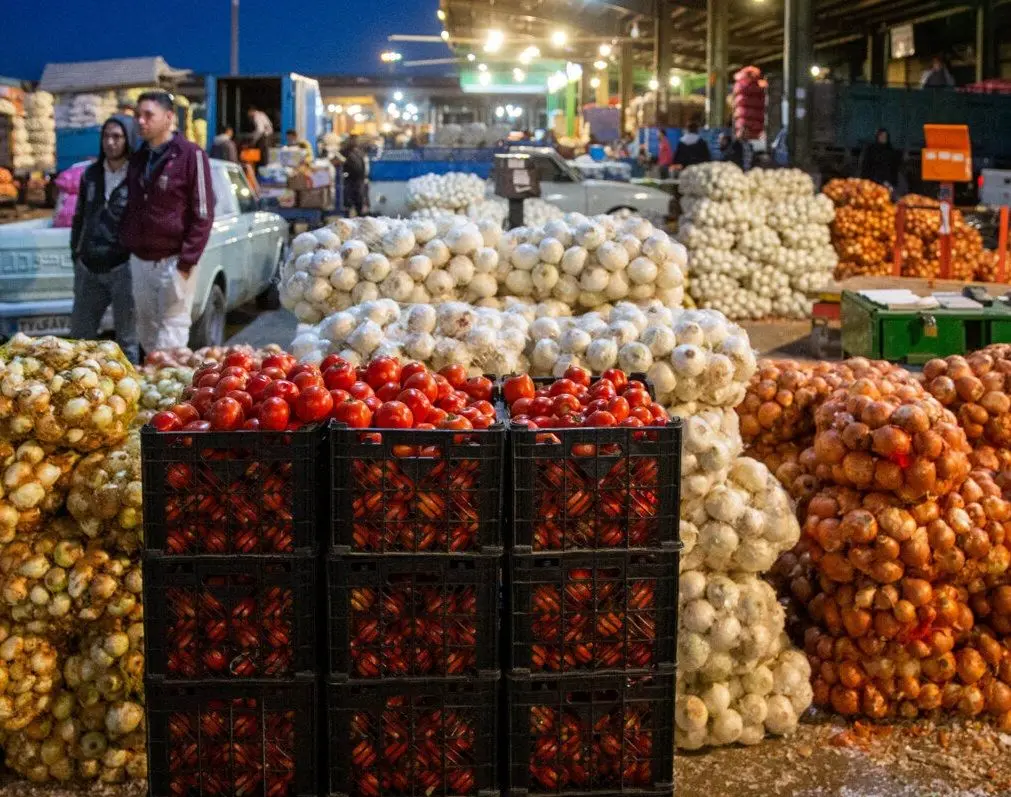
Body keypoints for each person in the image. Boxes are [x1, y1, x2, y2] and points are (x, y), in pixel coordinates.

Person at [120, 91, 214, 355]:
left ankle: (172, 394)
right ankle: (154, 391)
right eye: (138, 115)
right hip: (140, 260)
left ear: (169, 117)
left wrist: (186, 263)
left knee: (172, 338)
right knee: (147, 336)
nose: (141, 121)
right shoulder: (139, 159)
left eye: (148, 114)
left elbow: (204, 213)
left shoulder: (190, 155)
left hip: (174, 261)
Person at [68, 115, 140, 363]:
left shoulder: (138, 177)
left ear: (128, 139)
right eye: (106, 136)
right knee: (79, 340)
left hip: (124, 269)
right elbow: (79, 217)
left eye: (117, 137)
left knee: (128, 342)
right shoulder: (91, 174)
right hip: (89, 268)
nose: (110, 142)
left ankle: (131, 396)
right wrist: (76, 255)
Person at [340, 134, 367, 217]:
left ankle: (360, 216)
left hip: (359, 180)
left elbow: (363, 164)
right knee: (348, 200)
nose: (355, 142)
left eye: (356, 140)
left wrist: (364, 177)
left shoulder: (359, 152)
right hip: (349, 179)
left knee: (359, 200)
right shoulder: (344, 151)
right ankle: (347, 218)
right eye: (353, 140)